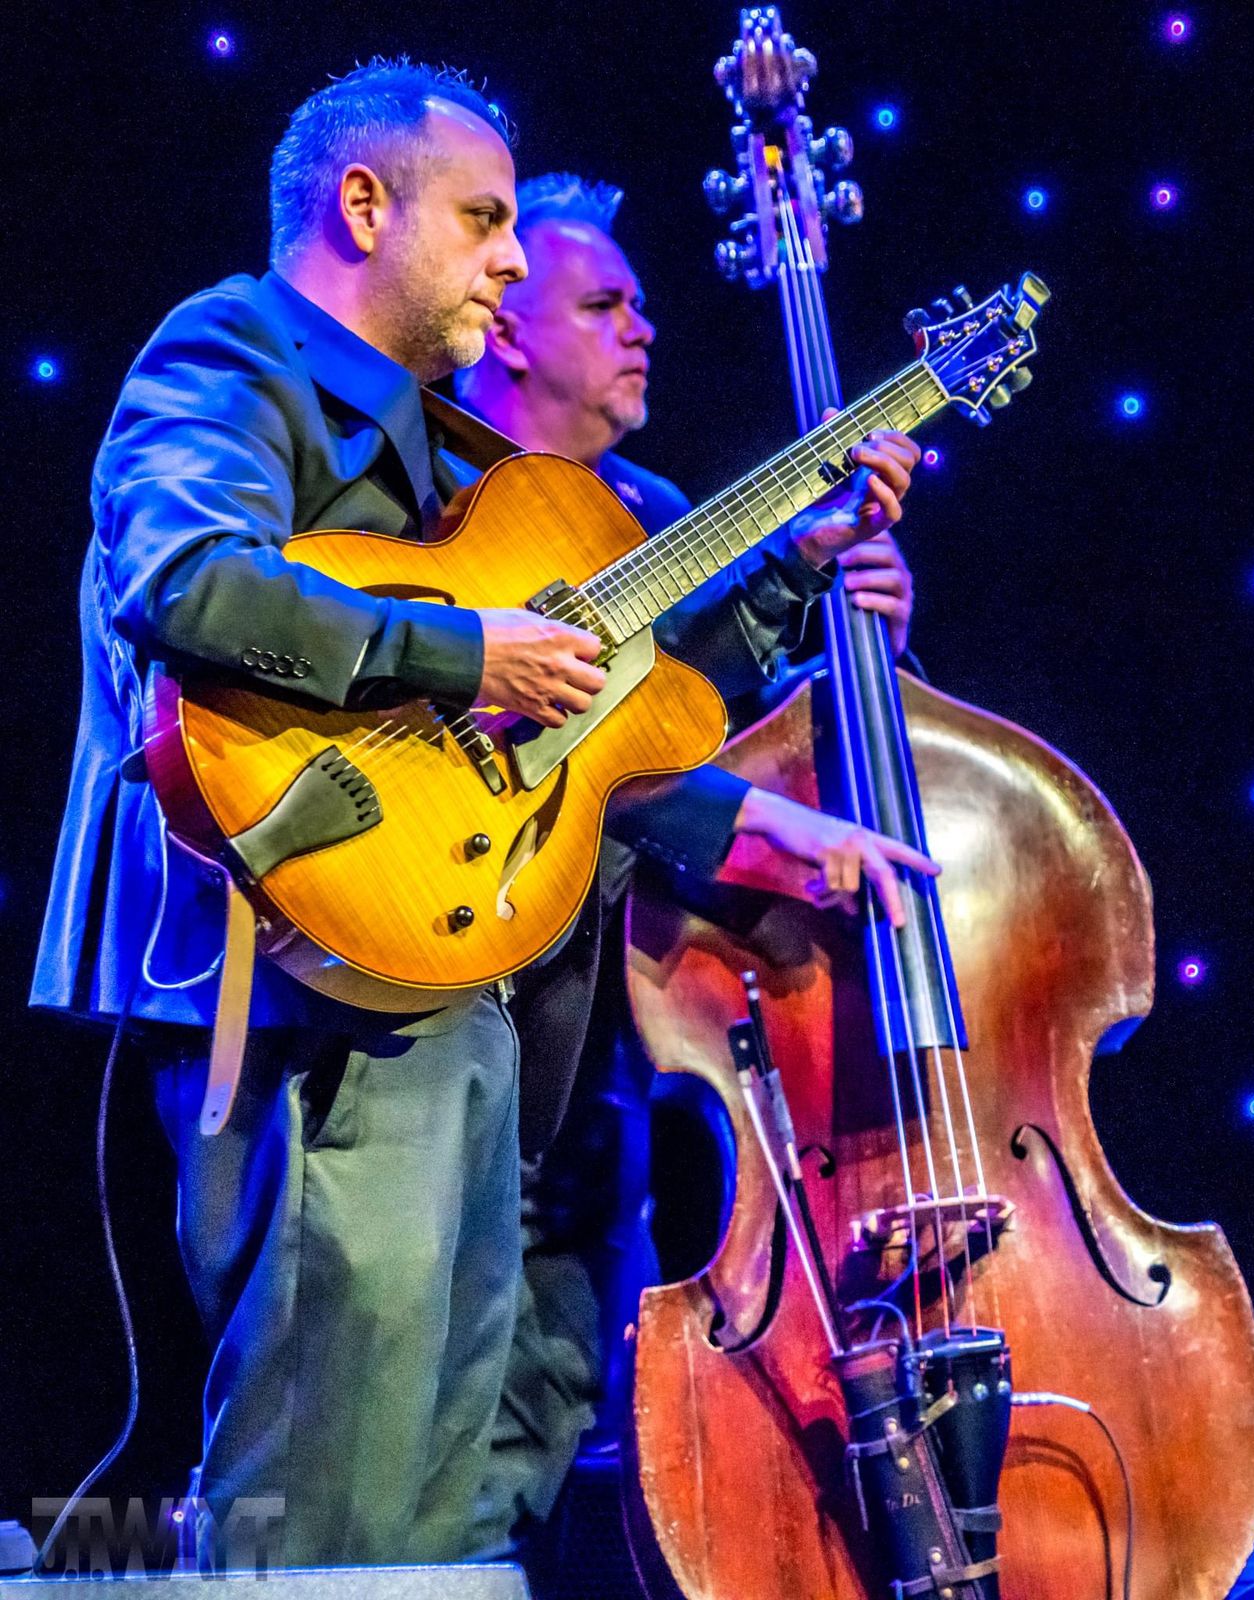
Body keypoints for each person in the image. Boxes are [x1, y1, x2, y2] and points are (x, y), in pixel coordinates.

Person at [30, 68, 921, 1571]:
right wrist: (459, 652)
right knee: (335, 1485)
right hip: (292, 974)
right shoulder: (234, 348)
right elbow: (185, 580)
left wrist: (792, 566)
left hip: (440, 979)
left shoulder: (453, 455)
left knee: (444, 1491)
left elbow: (617, 717)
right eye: (484, 219)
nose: (510, 261)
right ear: (363, 206)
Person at [453, 174, 931, 1558]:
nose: (643, 329)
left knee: (548, 1412)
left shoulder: (657, 511)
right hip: (465, 1003)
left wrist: (855, 638)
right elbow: (583, 755)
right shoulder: (434, 512)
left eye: (642, 304)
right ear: (510, 328)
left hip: (623, 1038)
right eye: (604, 305)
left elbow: (708, 735)